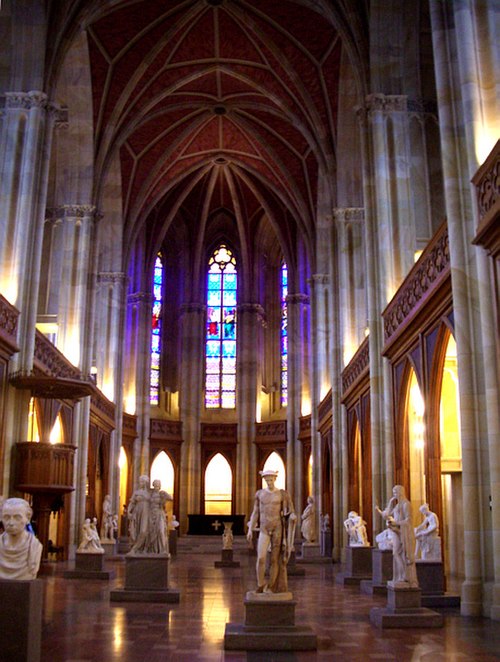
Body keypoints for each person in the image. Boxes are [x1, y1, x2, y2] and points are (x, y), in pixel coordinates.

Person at [246, 469, 296, 594]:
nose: (269, 482)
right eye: (266, 479)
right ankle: (260, 584)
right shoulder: (260, 494)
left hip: (277, 528)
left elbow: (291, 511)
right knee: (261, 558)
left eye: (271, 479)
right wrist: (250, 529)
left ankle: (272, 586)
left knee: (274, 560)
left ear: (275, 479)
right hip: (264, 528)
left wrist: (293, 517)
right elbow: (255, 512)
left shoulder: (282, 494)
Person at [376, 485, 418, 588]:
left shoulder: (406, 504)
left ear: (401, 492)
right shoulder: (397, 505)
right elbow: (386, 515)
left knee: (399, 553)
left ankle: (405, 576)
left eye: (395, 492)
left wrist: (396, 523)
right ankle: (401, 576)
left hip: (402, 532)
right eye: (393, 493)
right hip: (396, 532)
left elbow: (409, 521)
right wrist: (389, 503)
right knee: (396, 553)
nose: (394, 495)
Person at [0, 497, 43, 579]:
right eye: (6, 517)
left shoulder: (35, 547)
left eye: (17, 517)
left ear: (28, 518)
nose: (11, 523)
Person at [128, 475, 152, 553]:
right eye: (140, 481)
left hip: (146, 513)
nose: (140, 483)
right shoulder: (136, 492)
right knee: (136, 532)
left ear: (145, 483)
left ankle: (137, 548)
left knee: (143, 531)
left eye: (141, 481)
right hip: (137, 513)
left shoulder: (150, 493)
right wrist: (128, 512)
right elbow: (131, 503)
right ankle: (137, 549)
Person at [147, 479, 171, 554]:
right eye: (155, 484)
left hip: (159, 514)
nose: (157, 486)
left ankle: (162, 549)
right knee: (151, 532)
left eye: (158, 485)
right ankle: (153, 549)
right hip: (151, 514)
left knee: (160, 531)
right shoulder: (150, 494)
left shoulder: (161, 494)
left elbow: (170, 498)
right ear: (153, 485)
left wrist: (164, 496)